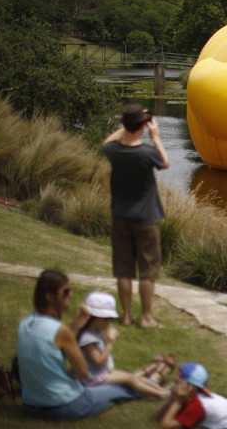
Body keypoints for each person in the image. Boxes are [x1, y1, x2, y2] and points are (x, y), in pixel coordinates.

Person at [16, 270, 138, 420]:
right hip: (62, 405)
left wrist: (75, 326)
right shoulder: (61, 331)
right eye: (66, 292)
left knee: (118, 387)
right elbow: (83, 372)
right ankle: (154, 383)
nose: (71, 295)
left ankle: (145, 378)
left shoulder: (26, 323)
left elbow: (52, 350)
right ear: (49, 297)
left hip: (31, 404)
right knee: (119, 389)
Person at [102, 103, 170, 328]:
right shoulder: (147, 152)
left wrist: (126, 127)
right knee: (147, 270)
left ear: (125, 124)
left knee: (123, 269)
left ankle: (126, 316)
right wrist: (155, 137)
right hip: (147, 218)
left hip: (120, 216)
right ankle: (146, 317)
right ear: (143, 126)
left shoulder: (114, 151)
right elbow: (165, 163)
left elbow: (106, 143)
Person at [76, 291, 171, 399]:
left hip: (101, 372)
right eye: (107, 319)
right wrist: (110, 343)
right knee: (131, 380)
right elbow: (98, 362)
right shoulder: (88, 338)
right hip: (93, 378)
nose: (109, 322)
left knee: (132, 376)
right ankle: (161, 394)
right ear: (97, 318)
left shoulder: (96, 331)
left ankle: (162, 390)